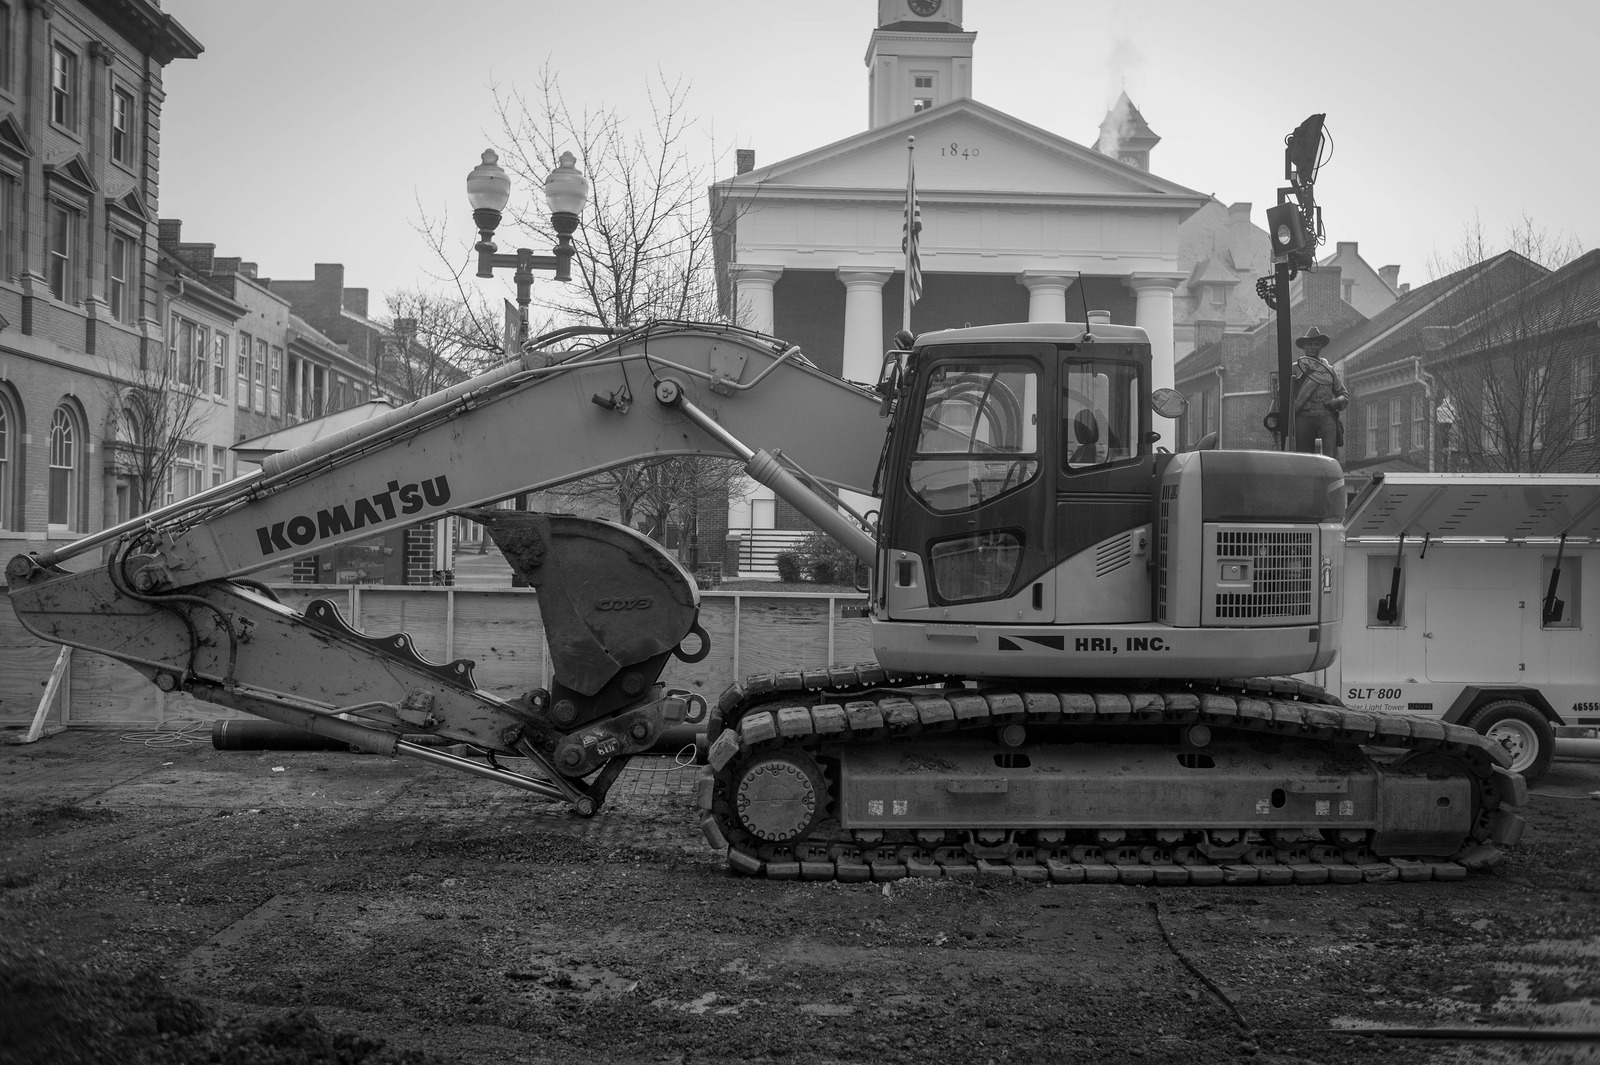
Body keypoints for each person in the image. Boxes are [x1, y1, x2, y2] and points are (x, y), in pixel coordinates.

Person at [1291, 327, 1349, 459]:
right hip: (1303, 417)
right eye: (1309, 344)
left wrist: (1337, 401)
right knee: (1302, 458)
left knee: (1330, 457)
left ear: (1321, 347)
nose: (1312, 347)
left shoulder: (1328, 370)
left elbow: (1344, 395)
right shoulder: (1295, 369)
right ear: (1304, 347)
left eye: (1316, 344)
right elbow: (1286, 395)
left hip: (1326, 417)